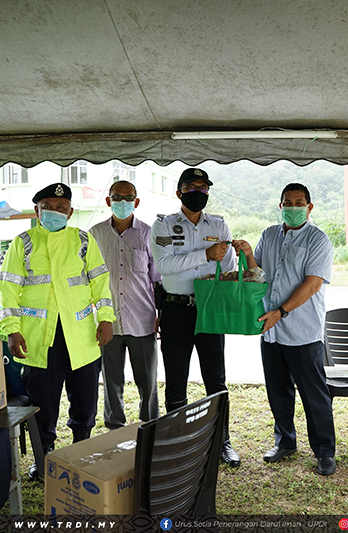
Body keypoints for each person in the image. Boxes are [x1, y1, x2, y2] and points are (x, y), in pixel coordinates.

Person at [0, 182, 115, 480]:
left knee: (85, 398)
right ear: (37, 211)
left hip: (82, 337)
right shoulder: (23, 242)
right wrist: (12, 330)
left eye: (60, 207)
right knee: (43, 402)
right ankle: (43, 456)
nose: (54, 211)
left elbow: (100, 283)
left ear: (70, 211)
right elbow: (8, 290)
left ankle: (81, 450)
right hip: (40, 338)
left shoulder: (83, 241)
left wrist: (106, 318)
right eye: (47, 207)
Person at [235, 183, 337, 476]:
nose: (293, 207)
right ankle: (285, 441)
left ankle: (324, 450)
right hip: (271, 329)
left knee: (314, 394)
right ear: (280, 206)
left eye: (299, 202)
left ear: (309, 207)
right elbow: (260, 273)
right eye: (287, 202)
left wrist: (280, 312)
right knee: (278, 390)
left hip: (303, 331)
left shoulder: (318, 240)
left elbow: (313, 284)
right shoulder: (269, 234)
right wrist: (246, 254)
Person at [151, 167, 240, 467]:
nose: (198, 193)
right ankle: (178, 442)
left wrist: (227, 258)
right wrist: (205, 255)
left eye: (204, 189)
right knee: (176, 378)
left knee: (216, 378)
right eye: (192, 188)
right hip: (176, 309)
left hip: (210, 307)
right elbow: (165, 266)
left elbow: (227, 266)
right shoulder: (163, 225)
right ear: (179, 193)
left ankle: (222, 440)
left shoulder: (219, 225)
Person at [89, 180, 161, 430]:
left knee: (148, 381)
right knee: (111, 381)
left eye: (128, 198)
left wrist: (160, 313)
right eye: (116, 197)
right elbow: (87, 278)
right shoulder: (95, 234)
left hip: (142, 320)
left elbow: (157, 278)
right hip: (108, 322)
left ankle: (150, 427)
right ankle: (114, 428)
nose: (122, 202)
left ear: (136, 202)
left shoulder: (149, 233)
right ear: (108, 201)